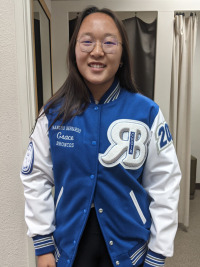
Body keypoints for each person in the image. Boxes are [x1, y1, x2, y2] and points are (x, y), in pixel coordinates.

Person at [20, 6, 181, 267]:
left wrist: (158, 252)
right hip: (68, 249)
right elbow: (35, 177)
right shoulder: (53, 114)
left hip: (130, 251)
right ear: (74, 51)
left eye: (108, 42)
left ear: (123, 54)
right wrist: (43, 244)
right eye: (87, 41)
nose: (97, 51)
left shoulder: (147, 113)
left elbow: (165, 185)